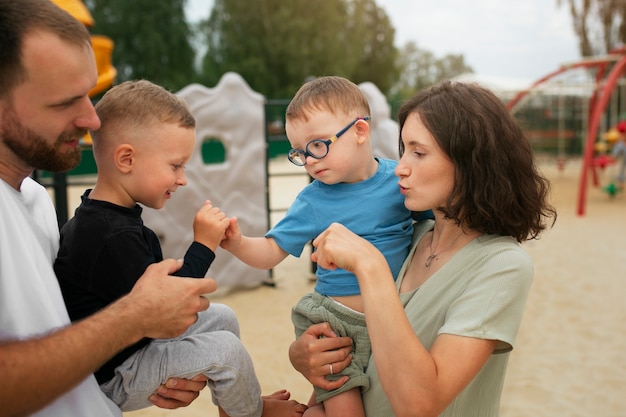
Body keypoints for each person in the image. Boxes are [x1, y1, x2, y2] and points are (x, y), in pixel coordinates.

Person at [289, 80, 558, 417]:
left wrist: (370, 267)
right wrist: (306, 355)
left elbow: (420, 405)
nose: (400, 166)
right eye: (402, 149)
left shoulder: (503, 266)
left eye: (418, 152)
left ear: (470, 161)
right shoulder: (407, 237)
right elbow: (360, 354)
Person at [0, 1, 217, 416]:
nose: (91, 119)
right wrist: (133, 318)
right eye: (65, 102)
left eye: (89, 93)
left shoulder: (34, 201)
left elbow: (64, 339)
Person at [53, 79, 306, 417]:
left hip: (135, 345)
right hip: (115, 375)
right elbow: (170, 307)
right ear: (126, 159)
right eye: (175, 166)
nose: (183, 178)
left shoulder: (110, 217)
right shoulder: (108, 235)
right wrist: (203, 244)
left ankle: (237, 408)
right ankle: (253, 413)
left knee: (223, 319)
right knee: (226, 351)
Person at [222, 76, 423, 417]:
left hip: (391, 319)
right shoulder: (313, 200)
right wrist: (237, 242)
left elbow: (443, 216)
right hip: (335, 328)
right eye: (299, 152)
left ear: (360, 131)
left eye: (317, 145)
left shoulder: (399, 182)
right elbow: (272, 251)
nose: (310, 160)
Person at [611, 120, 626, 188]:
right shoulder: (620, 143)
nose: (622, 136)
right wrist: (614, 156)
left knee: (622, 167)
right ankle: (621, 182)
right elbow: (616, 150)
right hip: (624, 157)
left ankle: (621, 181)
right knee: (622, 167)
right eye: (621, 134)